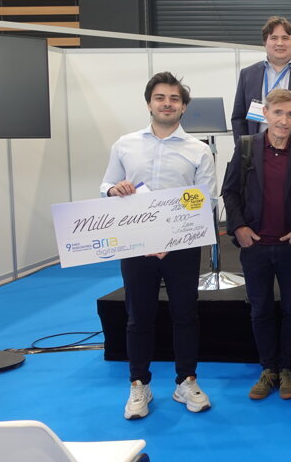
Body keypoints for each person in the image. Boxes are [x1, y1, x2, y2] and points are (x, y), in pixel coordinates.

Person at [100, 72, 216, 420]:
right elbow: (105, 185)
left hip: (181, 248)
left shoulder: (198, 150)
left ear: (183, 107)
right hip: (136, 247)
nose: (167, 103)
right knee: (139, 316)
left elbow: (204, 201)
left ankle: (187, 381)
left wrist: (170, 240)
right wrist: (113, 190)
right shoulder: (124, 144)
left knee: (185, 314)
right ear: (149, 102)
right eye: (161, 97)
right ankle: (139, 384)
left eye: (174, 99)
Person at [222, 88, 291, 401]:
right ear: (266, 114)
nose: (284, 121)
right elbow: (230, 192)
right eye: (278, 113)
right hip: (255, 246)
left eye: (290, 114)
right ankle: (268, 369)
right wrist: (239, 227)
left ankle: (287, 367)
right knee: (260, 308)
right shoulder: (247, 147)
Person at [231, 15, 291, 145]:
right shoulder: (248, 74)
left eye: (285, 38)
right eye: (274, 38)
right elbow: (238, 118)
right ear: (265, 42)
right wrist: (245, 149)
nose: (280, 43)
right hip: (257, 151)